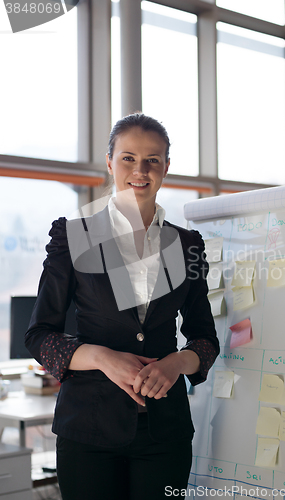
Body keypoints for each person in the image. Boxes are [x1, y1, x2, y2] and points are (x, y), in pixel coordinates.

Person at [25, 113, 219, 500]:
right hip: (88, 431)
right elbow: (39, 336)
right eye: (129, 157)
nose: (140, 170)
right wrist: (101, 357)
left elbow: (205, 339)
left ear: (166, 166)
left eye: (153, 159)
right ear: (110, 161)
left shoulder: (187, 245)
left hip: (166, 432)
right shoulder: (73, 235)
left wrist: (177, 363)